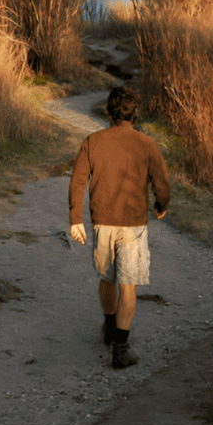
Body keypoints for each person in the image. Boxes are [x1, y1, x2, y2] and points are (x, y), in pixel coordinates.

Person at [68, 86, 171, 369]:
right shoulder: (147, 144)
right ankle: (121, 349)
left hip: (102, 222)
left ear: (108, 111)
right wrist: (161, 206)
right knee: (128, 286)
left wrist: (75, 219)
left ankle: (109, 326)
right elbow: (162, 184)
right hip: (133, 223)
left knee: (107, 277)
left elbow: (77, 181)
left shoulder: (93, 141)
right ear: (134, 113)